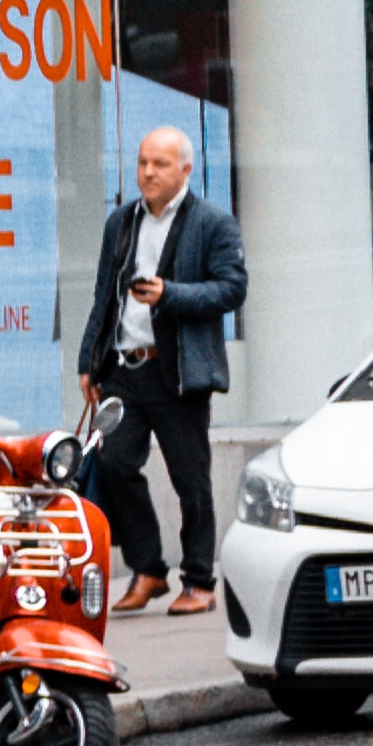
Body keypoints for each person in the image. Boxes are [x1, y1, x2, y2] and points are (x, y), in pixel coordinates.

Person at [78, 123, 244, 613]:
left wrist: (172, 294)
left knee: (190, 477)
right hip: (125, 369)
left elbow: (231, 289)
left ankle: (199, 581)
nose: (147, 173)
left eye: (160, 164)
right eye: (142, 163)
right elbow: (103, 295)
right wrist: (90, 360)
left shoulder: (212, 223)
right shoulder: (122, 222)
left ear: (185, 170)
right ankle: (148, 569)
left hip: (177, 370)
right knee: (113, 465)